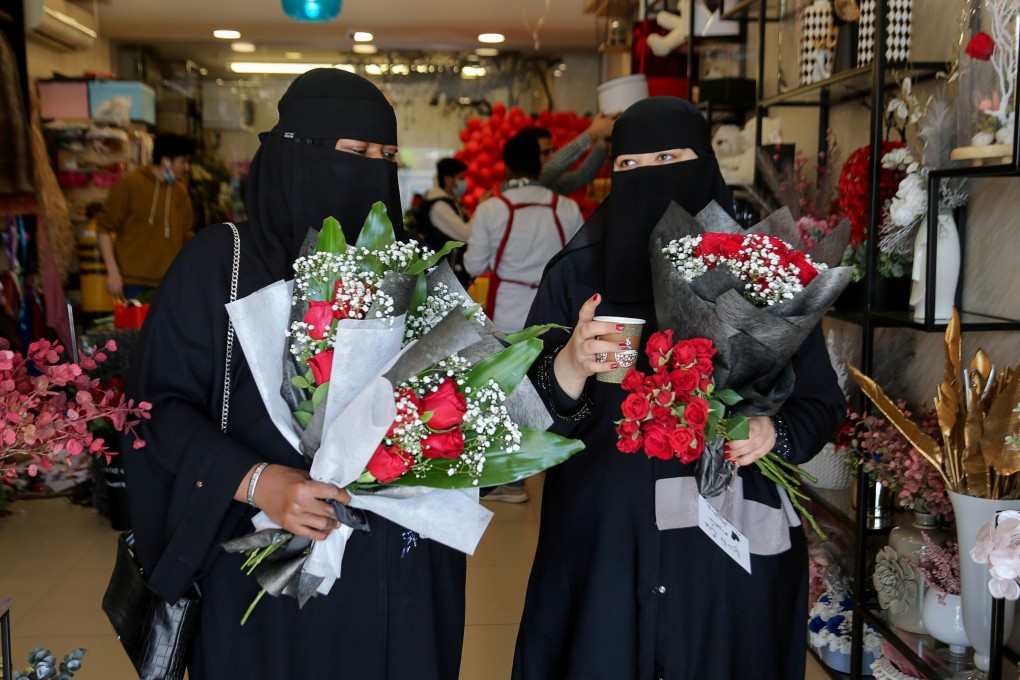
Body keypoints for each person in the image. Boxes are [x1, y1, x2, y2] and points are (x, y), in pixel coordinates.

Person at [123, 69, 465, 679]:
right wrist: (257, 482)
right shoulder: (219, 263)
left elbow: (466, 399)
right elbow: (159, 408)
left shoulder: (415, 270)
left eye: (387, 156)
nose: (372, 171)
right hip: (259, 565)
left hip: (394, 564)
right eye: (355, 153)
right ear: (294, 154)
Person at [511, 97, 846, 679]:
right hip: (605, 534)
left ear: (705, 164)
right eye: (630, 166)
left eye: (668, 158)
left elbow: (821, 402)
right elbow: (521, 419)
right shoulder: (574, 274)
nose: (649, 177)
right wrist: (568, 367)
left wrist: (775, 430)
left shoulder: (759, 271)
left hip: (721, 534)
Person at [465, 133, 582, 504]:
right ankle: (557, 462)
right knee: (558, 385)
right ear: (540, 164)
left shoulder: (492, 209)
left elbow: (473, 265)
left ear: (508, 165)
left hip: (509, 311)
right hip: (559, 311)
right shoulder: (566, 207)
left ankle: (512, 480)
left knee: (506, 392)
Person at [96, 133, 195, 301]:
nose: (187, 167)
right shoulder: (129, 185)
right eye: (183, 161)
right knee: (135, 328)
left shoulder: (181, 192)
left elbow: (186, 236)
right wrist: (113, 273)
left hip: (170, 283)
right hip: (132, 284)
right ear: (166, 161)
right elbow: (104, 229)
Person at [514, 111, 616, 196]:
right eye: (545, 152)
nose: (552, 156)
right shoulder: (518, 183)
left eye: (552, 150)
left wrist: (603, 142)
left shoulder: (550, 184)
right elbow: (553, 167)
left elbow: (580, 177)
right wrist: (593, 132)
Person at [418, 157, 471, 284]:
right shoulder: (439, 204)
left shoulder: (450, 201)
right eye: (461, 178)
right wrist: (481, 208)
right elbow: (465, 234)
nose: (464, 183)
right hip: (444, 274)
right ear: (448, 179)